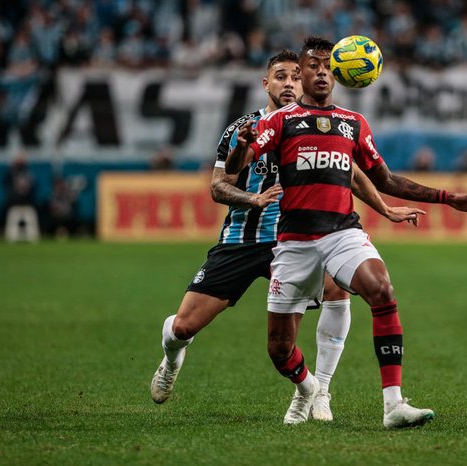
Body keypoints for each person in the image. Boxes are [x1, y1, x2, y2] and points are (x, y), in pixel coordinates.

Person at [226, 37, 467, 428]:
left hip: (341, 232)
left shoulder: (353, 123)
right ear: (300, 75)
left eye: (327, 66)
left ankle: (393, 405)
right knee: (280, 349)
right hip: (293, 243)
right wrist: (242, 145)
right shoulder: (279, 121)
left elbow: (384, 179)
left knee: (382, 288)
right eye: (313, 66)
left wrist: (447, 196)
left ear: (337, 74)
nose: (321, 72)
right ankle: (308, 389)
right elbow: (237, 167)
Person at [150, 49, 424, 422]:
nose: (290, 83)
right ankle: (171, 358)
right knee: (183, 326)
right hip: (242, 240)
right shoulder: (242, 128)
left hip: (298, 238)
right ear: (266, 83)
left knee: (335, 290)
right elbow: (218, 186)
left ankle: (317, 391)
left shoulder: (315, 121)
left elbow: (352, 174)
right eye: (281, 76)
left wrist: (384, 208)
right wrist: (252, 199)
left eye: (297, 76)